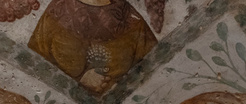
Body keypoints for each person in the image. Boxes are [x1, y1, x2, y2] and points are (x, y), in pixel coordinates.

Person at [28, 0, 157, 93]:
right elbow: (33, 68)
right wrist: (78, 81)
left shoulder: (130, 19)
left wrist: (118, 88)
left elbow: (154, 73)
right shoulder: (57, 11)